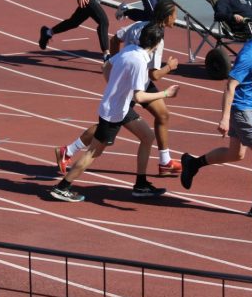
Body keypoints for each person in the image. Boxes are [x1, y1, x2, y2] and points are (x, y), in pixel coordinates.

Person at [49, 23, 180, 203]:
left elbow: (106, 66)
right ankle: (62, 187)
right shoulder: (140, 62)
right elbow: (140, 96)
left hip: (120, 107)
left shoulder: (130, 49)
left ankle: (141, 185)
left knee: (148, 136)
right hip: (114, 113)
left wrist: (114, 87)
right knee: (93, 153)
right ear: (156, 44)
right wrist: (166, 94)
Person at [179, 10, 252, 220]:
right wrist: (225, 119)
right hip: (242, 110)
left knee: (236, 154)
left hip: (247, 108)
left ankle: (193, 164)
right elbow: (230, 86)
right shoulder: (250, 54)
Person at [57, 0, 183, 177]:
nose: (176, 19)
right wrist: (169, 67)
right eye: (175, 15)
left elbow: (115, 39)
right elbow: (154, 74)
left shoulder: (138, 25)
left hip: (137, 80)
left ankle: (165, 161)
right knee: (108, 126)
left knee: (162, 115)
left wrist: (118, 65)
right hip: (136, 85)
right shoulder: (157, 38)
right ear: (167, 16)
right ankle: (69, 151)